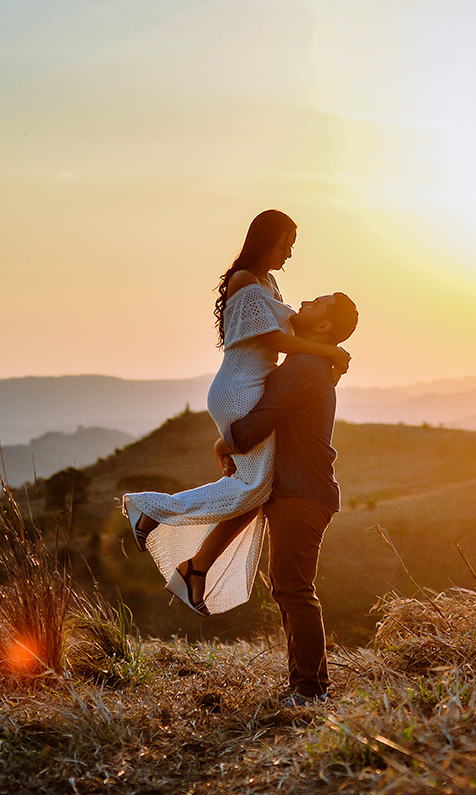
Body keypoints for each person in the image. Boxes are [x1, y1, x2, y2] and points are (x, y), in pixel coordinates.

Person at [121, 210, 350, 616]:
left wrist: (329, 355)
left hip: (252, 384)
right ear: (265, 241)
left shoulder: (268, 283)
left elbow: (292, 335)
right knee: (255, 487)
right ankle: (151, 510)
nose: (289, 253)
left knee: (255, 489)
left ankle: (196, 569)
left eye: (292, 246)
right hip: (240, 387)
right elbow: (276, 338)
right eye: (285, 245)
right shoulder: (245, 281)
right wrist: (329, 350)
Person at [214, 291, 358, 706]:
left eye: (316, 303)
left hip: (301, 492)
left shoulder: (308, 366)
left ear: (325, 326)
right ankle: (306, 684)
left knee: (294, 589)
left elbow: (264, 417)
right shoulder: (309, 363)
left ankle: (310, 690)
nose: (304, 303)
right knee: (289, 588)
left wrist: (225, 444)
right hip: (299, 490)